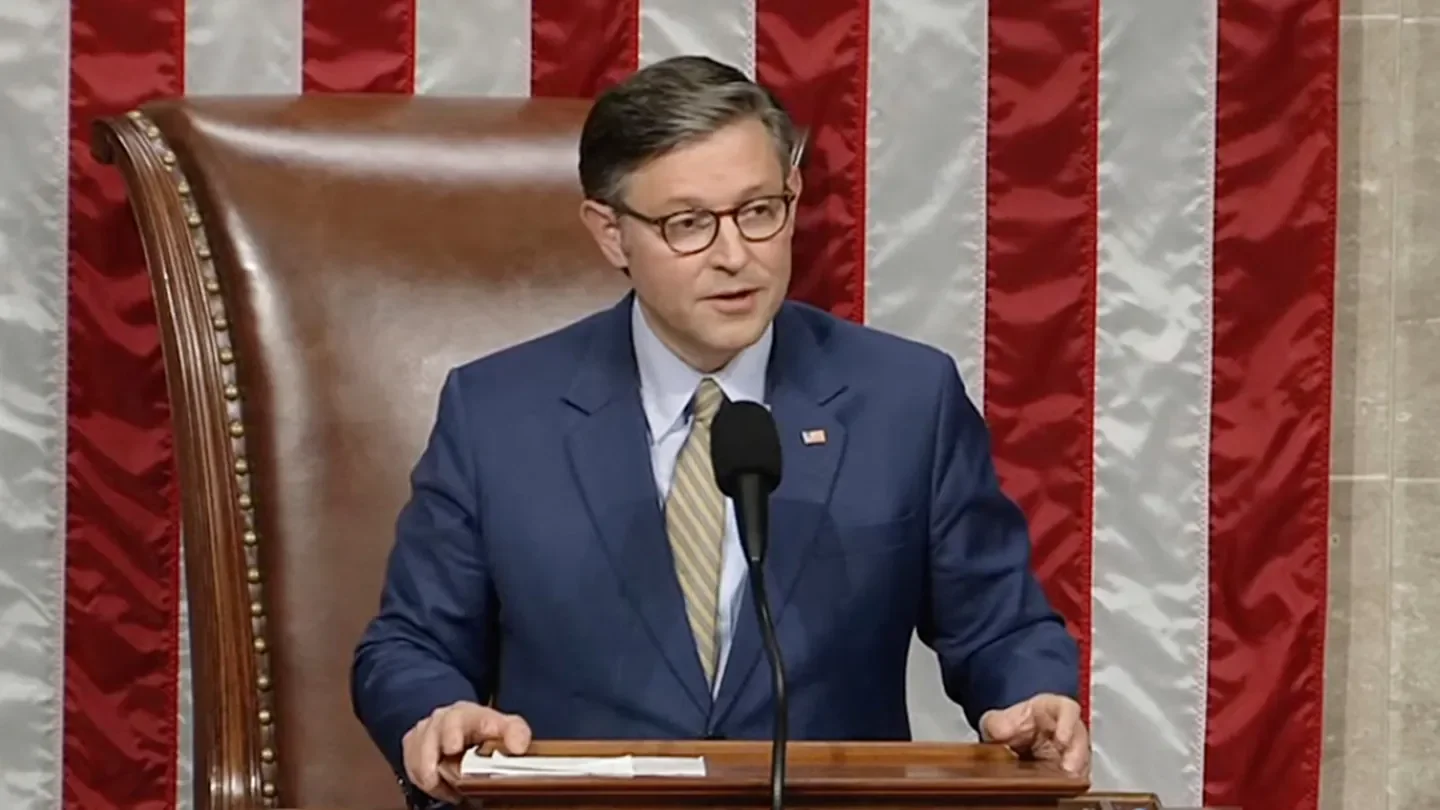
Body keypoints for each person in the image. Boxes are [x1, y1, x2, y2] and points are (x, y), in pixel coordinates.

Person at [350, 54, 1088, 809]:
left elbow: (1000, 627)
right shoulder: (498, 413)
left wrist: (1028, 699)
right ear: (611, 234)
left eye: (759, 211)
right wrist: (437, 716)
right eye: (689, 224)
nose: (735, 256)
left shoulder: (904, 400)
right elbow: (409, 646)